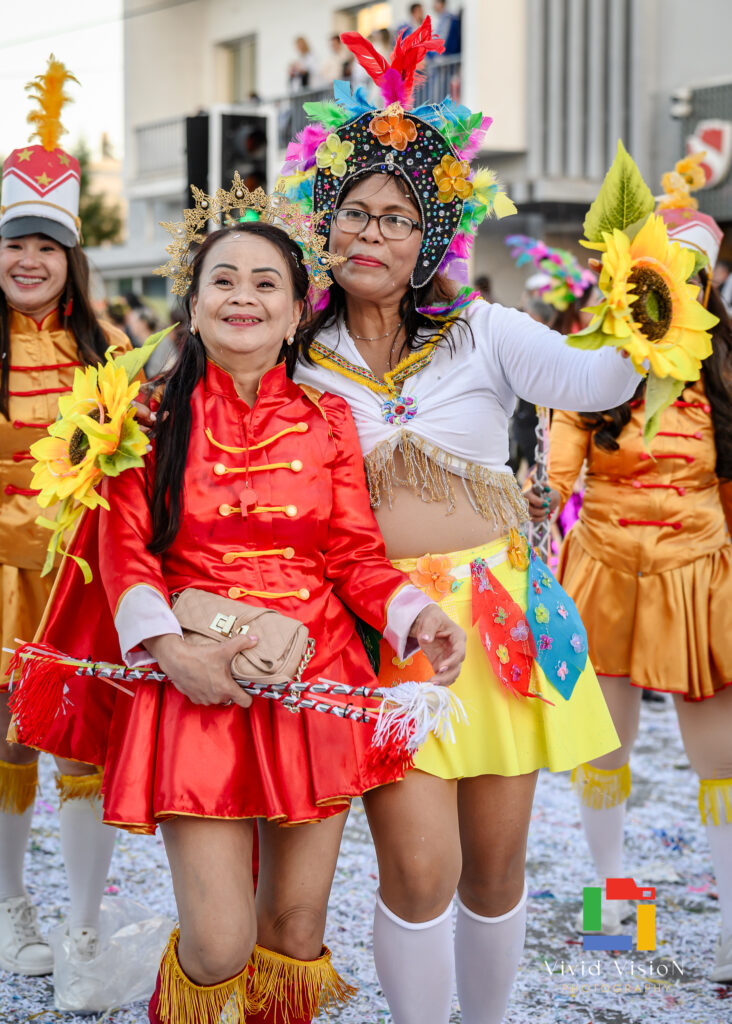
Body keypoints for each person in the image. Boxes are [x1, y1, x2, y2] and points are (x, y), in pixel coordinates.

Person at [8, 189, 466, 1024]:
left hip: (313, 684)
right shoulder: (143, 416)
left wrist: (413, 615)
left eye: (265, 283)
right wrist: (175, 654)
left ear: (296, 314)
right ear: (193, 305)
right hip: (192, 686)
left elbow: (352, 556)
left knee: (294, 931)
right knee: (218, 944)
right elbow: (125, 555)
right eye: (223, 280)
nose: (242, 297)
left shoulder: (328, 419)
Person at [279, 19, 643, 1023]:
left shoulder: (484, 331)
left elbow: (601, 381)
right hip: (379, 629)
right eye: (355, 212)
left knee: (493, 866)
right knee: (419, 868)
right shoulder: (295, 353)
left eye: (398, 217)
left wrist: (653, 290)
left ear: (430, 237)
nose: (372, 233)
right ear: (326, 225)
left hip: (497, 620)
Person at [531, 198, 732, 982]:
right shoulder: (594, 366)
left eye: (693, 275)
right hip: (605, 568)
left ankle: (731, 926)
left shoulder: (725, 370)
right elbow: (557, 472)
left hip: (698, 577)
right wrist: (535, 506)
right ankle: (614, 903)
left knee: (720, 762)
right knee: (605, 747)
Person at [0, 58, 129, 985]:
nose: (29, 262)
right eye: (15, 244)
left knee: (83, 742)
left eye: (47, 247)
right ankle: (12, 908)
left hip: (80, 577)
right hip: (3, 577)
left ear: (71, 258)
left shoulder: (106, 348)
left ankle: (84, 927)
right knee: (8, 741)